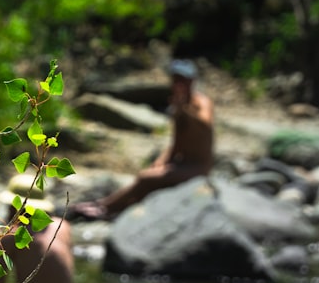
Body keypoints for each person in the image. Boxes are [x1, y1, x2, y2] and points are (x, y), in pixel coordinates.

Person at [67, 59, 214, 221]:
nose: (178, 85)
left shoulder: (200, 102)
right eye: (175, 80)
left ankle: (105, 208)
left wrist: (184, 110)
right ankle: (105, 206)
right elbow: (177, 142)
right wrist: (162, 160)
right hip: (181, 163)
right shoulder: (178, 105)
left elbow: (205, 124)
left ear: (191, 81)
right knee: (149, 176)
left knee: (146, 178)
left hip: (197, 168)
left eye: (182, 81)